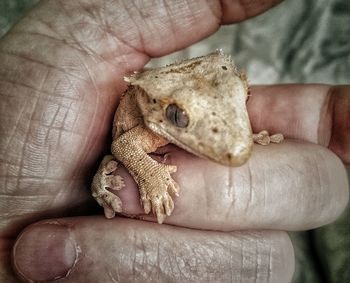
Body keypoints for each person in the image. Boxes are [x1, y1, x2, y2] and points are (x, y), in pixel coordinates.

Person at [0, 0, 349, 282]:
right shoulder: (151, 120)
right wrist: (152, 177)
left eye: (240, 98)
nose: (236, 145)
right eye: (181, 118)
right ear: (159, 108)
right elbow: (125, 147)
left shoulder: (207, 97)